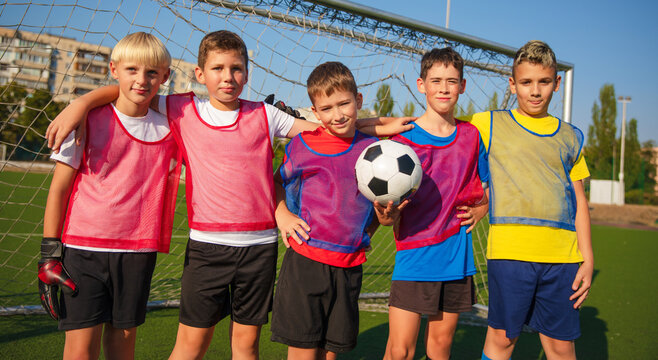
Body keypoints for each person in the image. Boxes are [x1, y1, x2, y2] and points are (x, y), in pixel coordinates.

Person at [44, 30, 413, 360]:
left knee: (246, 345)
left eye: (236, 68)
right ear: (200, 75)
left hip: (259, 247)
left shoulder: (267, 115)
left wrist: (374, 126)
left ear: (247, 74)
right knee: (191, 344)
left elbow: (327, 127)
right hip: (207, 247)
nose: (228, 77)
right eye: (218, 68)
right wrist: (81, 102)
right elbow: (132, 92)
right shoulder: (182, 109)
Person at [37, 32, 181, 360]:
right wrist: (49, 252)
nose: (141, 80)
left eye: (152, 73)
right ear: (114, 70)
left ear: (165, 76)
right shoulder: (86, 120)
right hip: (83, 251)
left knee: (122, 344)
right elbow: (59, 189)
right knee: (80, 349)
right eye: (132, 70)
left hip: (138, 251)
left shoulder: (172, 125)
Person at [270, 61, 404, 360]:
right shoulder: (303, 145)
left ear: (358, 101)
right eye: (327, 108)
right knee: (304, 352)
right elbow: (277, 182)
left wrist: (385, 218)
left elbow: (381, 216)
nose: (338, 114)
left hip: (349, 263)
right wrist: (282, 214)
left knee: (332, 352)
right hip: (306, 260)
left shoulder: (374, 150)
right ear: (315, 113)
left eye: (344, 103)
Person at [468, 40, 593, 360]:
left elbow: (579, 200)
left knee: (560, 346)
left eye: (544, 82)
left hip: (563, 258)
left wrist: (587, 259)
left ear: (557, 83)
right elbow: (444, 136)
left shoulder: (571, 136)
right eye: (526, 82)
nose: (535, 91)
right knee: (503, 340)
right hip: (510, 254)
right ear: (513, 84)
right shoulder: (488, 123)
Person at [383, 47, 490, 360]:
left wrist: (483, 207)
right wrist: (387, 215)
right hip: (415, 255)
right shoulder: (403, 139)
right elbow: (386, 207)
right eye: (436, 80)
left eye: (452, 81)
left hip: (456, 255)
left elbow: (486, 185)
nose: (444, 88)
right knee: (400, 350)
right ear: (421, 84)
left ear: (463, 86)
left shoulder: (471, 136)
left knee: (440, 347)